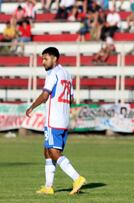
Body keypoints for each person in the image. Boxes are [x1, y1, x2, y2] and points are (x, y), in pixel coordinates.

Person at [25, 47, 86, 195]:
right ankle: (48, 187)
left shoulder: (53, 74)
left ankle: (77, 178)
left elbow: (45, 96)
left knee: (53, 151)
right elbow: (71, 98)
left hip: (54, 120)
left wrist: (32, 107)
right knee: (47, 151)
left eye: (45, 59)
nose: (43, 62)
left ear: (55, 58)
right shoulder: (66, 74)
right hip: (63, 119)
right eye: (42, 59)